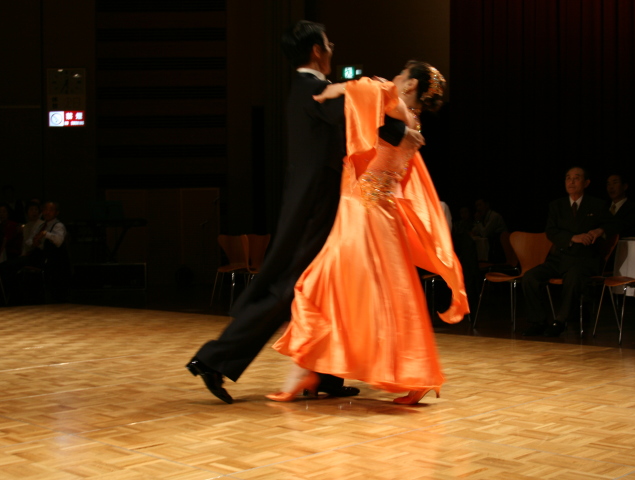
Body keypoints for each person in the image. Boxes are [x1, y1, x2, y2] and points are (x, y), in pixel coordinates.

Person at [186, 21, 423, 404]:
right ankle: (215, 359)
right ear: (316, 50)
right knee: (288, 289)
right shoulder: (313, 89)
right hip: (316, 205)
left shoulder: (308, 88)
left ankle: (325, 375)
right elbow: (357, 116)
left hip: (324, 202)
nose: (332, 47)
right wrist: (400, 129)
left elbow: (355, 117)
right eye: (328, 43)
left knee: (329, 286)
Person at [268, 61, 469, 405]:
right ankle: (321, 372)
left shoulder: (396, 107)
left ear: (410, 85)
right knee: (378, 295)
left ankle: (307, 372)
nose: (396, 77)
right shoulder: (412, 121)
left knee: (324, 284)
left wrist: (330, 90)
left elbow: (363, 89)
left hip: (362, 211)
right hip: (377, 213)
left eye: (403, 75)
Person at [521, 167, 615, 337]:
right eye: (568, 178)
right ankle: (538, 321)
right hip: (560, 257)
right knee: (530, 277)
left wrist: (599, 230)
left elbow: (613, 225)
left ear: (586, 183)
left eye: (576, 178)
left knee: (574, 277)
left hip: (584, 259)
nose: (571, 182)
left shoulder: (597, 204)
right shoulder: (556, 205)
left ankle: (560, 321)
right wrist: (572, 237)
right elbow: (551, 231)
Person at [606, 173, 635, 238]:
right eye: (608, 184)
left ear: (624, 186)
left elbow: (626, 228)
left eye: (615, 183)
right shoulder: (603, 207)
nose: (611, 187)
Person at [471, 198, 507, 263]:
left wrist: (478, 221)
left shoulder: (494, 216)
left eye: (480, 205)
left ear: (487, 205)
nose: (478, 208)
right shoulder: (483, 216)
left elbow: (485, 233)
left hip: (499, 247)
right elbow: (475, 231)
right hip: (491, 245)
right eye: (477, 206)